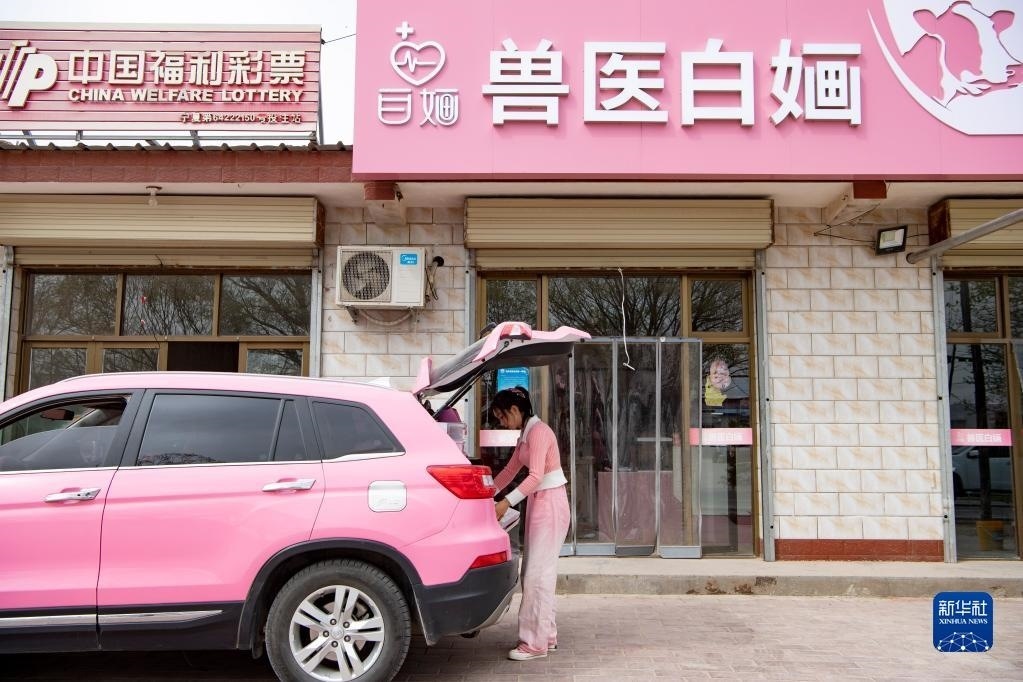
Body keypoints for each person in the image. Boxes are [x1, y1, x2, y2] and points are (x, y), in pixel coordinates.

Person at [490, 386, 570, 661]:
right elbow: (510, 470)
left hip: (550, 502)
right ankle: (546, 636)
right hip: (540, 501)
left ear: (515, 410)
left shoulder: (538, 433)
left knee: (537, 575)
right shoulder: (526, 434)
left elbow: (535, 476)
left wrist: (504, 502)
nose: (502, 422)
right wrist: (487, 494)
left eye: (502, 416)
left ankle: (534, 644)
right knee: (536, 574)